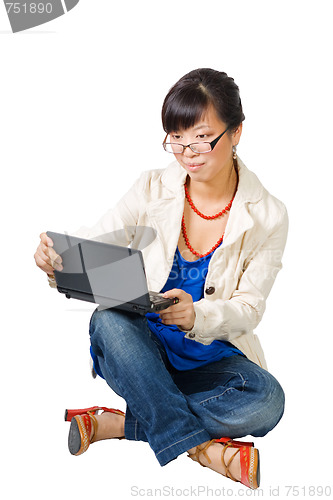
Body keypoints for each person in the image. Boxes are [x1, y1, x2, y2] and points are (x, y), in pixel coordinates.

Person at [34, 68, 288, 490]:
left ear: (237, 131)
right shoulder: (152, 187)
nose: (188, 152)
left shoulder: (269, 214)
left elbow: (249, 308)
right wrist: (57, 259)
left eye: (202, 138)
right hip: (139, 353)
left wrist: (198, 316)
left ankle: (118, 424)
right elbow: (99, 242)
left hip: (210, 361)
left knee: (267, 402)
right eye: (177, 139)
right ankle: (205, 450)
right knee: (108, 319)